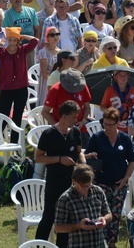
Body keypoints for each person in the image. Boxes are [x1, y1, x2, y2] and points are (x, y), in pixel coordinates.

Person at [35, 100, 86, 246]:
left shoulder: (75, 132)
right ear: (63, 116)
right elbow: (38, 158)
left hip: (71, 183)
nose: (76, 120)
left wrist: (83, 163)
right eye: (73, 117)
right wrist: (59, 159)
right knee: (49, 217)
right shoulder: (48, 134)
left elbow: (78, 151)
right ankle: (39, 245)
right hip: (54, 182)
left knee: (67, 219)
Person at [84, 107, 134, 248]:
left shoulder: (124, 138)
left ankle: (112, 243)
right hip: (101, 183)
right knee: (101, 214)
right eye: (105, 124)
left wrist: (126, 178)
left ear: (117, 123)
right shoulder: (97, 138)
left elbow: (132, 160)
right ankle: (100, 242)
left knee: (116, 215)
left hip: (119, 183)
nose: (107, 127)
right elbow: (86, 158)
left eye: (110, 124)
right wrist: (90, 157)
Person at [0, 27, 38, 141]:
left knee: (17, 116)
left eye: (15, 40)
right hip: (6, 89)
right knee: (3, 115)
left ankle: (15, 142)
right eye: (10, 39)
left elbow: (35, 41)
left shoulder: (23, 50)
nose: (12, 42)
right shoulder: (3, 52)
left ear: (18, 41)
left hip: (21, 88)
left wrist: (24, 36)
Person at [53, 163, 112, 248]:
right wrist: (78, 225)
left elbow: (109, 214)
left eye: (88, 185)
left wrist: (104, 219)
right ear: (74, 181)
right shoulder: (65, 199)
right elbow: (58, 227)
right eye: (83, 186)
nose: (86, 189)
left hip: (100, 244)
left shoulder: (98, 191)